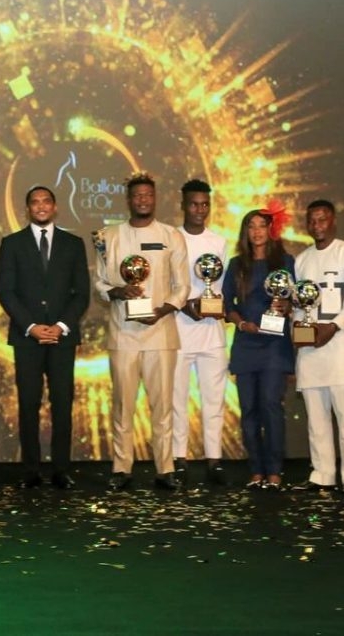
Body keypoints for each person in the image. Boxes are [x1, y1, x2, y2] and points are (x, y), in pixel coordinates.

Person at [94, 173, 189, 491]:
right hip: (123, 333)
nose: (143, 200)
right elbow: (100, 282)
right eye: (137, 196)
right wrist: (118, 291)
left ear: (155, 198)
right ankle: (121, 468)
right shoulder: (109, 237)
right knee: (123, 404)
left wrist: (163, 310)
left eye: (148, 195)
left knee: (162, 405)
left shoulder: (171, 235)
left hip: (160, 332)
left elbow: (182, 285)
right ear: (129, 200)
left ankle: (165, 468)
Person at [0, 186, 89, 490]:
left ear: (55, 207)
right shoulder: (11, 244)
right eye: (34, 202)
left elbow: (82, 294)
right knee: (28, 403)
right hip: (27, 338)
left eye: (45, 201)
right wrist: (32, 326)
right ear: (28, 209)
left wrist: (61, 326)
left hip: (63, 338)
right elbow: (6, 292)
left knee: (62, 403)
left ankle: (61, 469)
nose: (40, 206)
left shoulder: (73, 244)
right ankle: (31, 470)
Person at [291, 200, 344, 495]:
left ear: (333, 221)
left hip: (340, 344)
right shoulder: (302, 260)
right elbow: (300, 305)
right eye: (312, 221)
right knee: (316, 414)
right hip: (310, 349)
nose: (317, 225)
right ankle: (323, 473)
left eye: (323, 220)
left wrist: (332, 326)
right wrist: (299, 326)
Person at [222, 202, 295, 490]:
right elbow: (227, 303)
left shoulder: (285, 261)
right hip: (246, 343)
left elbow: (295, 298)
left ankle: (275, 471)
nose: (256, 232)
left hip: (275, 345)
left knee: (270, 406)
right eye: (250, 227)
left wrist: (285, 304)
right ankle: (256, 471)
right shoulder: (236, 264)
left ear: (271, 229)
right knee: (249, 409)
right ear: (245, 232)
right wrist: (241, 323)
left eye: (261, 226)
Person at [171, 179, 229, 485]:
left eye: (204, 204)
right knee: (177, 398)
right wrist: (183, 305)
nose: (199, 210)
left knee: (213, 399)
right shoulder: (171, 238)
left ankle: (214, 459)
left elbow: (221, 288)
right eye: (194, 204)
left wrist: (213, 306)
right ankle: (178, 458)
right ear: (183, 205)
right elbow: (168, 285)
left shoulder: (218, 242)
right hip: (179, 330)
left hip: (211, 332)